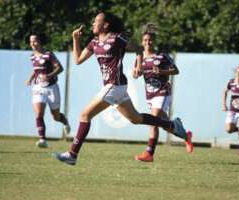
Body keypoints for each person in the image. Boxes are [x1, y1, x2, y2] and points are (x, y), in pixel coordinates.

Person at [54, 12, 193, 166]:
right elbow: (78, 59)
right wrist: (76, 40)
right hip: (116, 86)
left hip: (114, 84)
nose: (93, 24)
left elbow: (138, 48)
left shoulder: (116, 38)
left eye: (96, 21)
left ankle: (72, 154)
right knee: (136, 119)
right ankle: (171, 125)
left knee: (85, 114)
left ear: (105, 25)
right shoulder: (94, 42)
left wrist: (139, 64)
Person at [133, 24, 193, 162]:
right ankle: (185, 135)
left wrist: (162, 72)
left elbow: (176, 71)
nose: (148, 42)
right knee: (164, 124)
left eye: (150, 40)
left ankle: (149, 153)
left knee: (153, 122)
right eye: (145, 40)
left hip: (163, 92)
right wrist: (136, 73)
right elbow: (135, 73)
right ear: (142, 42)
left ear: (154, 41)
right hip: (149, 95)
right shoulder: (140, 58)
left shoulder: (162, 56)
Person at [26, 34, 71, 148]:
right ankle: (42, 139)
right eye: (31, 42)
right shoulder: (32, 57)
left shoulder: (48, 55)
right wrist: (30, 79)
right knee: (39, 113)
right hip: (38, 88)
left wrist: (49, 75)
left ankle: (64, 122)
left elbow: (60, 68)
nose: (32, 44)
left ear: (40, 42)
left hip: (52, 88)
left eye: (35, 41)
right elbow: (36, 71)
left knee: (55, 117)